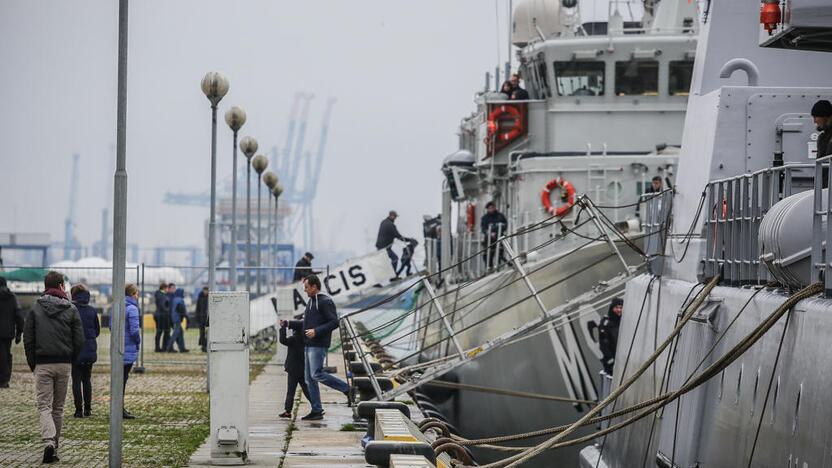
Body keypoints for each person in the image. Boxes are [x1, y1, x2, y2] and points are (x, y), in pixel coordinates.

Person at [23, 271, 84, 464]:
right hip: (64, 364)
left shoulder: (35, 308)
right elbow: (79, 340)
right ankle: (55, 446)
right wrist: (70, 358)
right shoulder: (71, 309)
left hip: (43, 363)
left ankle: (48, 441)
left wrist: (33, 362)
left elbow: (28, 339)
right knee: (58, 408)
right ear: (60, 286)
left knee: (44, 406)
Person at [300, 275, 350, 421]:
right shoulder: (311, 302)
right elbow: (306, 323)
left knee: (316, 374)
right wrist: (289, 324)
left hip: (318, 344)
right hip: (309, 344)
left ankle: (347, 388)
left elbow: (334, 322)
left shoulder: (325, 301)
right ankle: (316, 410)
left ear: (315, 287)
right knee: (309, 379)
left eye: (307, 287)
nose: (305, 290)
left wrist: (316, 331)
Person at [70, 284, 99, 418]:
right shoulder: (92, 311)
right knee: (87, 379)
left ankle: (78, 410)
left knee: (76, 380)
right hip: (89, 349)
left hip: (75, 350)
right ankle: (88, 409)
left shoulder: (71, 309)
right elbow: (97, 330)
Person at [278, 319, 311, 418]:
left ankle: (288, 411)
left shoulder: (293, 339)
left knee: (291, 391)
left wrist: (283, 328)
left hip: (293, 370)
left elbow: (283, 340)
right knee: (306, 390)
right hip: (302, 368)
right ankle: (316, 406)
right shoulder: (305, 339)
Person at [0, 277, 23, 388]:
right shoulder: (13, 297)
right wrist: (19, 333)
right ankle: (6, 378)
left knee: (2, 355)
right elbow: (19, 316)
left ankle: (3, 379)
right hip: (9, 332)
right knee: (7, 354)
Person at [123, 284, 142, 420]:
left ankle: (118, 407)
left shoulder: (117, 306)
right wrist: (137, 341)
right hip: (128, 348)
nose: (138, 296)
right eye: (137, 293)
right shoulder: (132, 309)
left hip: (118, 347)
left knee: (120, 379)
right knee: (123, 379)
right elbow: (135, 331)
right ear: (132, 294)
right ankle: (120, 408)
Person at [598, 297, 623, 375]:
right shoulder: (606, 323)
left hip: (623, 361)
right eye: (616, 307)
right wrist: (611, 362)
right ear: (612, 308)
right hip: (612, 363)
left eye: (621, 307)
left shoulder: (623, 321)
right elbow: (603, 345)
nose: (619, 310)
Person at [480, 201, 508, 268]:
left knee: (500, 253)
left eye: (492, 208)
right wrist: (489, 233)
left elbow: (505, 225)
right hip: (489, 239)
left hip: (499, 237)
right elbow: (483, 228)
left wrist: (498, 230)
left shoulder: (500, 216)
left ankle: (498, 266)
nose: (491, 209)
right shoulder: (485, 218)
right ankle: (490, 267)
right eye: (489, 208)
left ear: (494, 208)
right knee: (488, 254)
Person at [166, 288, 189, 353]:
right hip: (177, 319)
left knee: (180, 332)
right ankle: (169, 347)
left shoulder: (174, 299)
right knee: (175, 334)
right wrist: (186, 317)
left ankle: (182, 348)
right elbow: (182, 309)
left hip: (174, 318)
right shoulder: (180, 300)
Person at [153, 282, 170, 352]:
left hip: (158, 314)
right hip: (161, 315)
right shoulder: (162, 295)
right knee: (162, 331)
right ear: (164, 288)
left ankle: (158, 347)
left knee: (159, 331)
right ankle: (160, 347)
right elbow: (163, 306)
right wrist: (168, 310)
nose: (168, 290)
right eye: (167, 288)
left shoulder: (159, 294)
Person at [195, 286, 208, 352]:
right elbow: (198, 308)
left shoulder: (209, 297)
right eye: (204, 290)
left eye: (206, 290)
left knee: (207, 333)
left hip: (207, 318)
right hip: (202, 318)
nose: (205, 292)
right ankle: (203, 346)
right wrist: (197, 318)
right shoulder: (200, 297)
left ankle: (206, 345)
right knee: (202, 333)